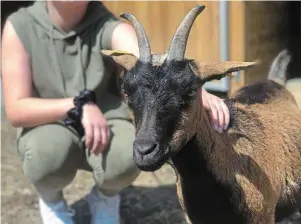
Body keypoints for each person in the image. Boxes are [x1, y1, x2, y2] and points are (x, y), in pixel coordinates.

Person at [1, 1, 230, 223]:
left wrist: (192, 89)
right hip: (50, 121)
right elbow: (16, 109)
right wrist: (78, 105)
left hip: (106, 120)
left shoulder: (110, 27)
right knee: (45, 155)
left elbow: (148, 64)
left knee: (130, 154)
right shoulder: (19, 27)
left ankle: (105, 198)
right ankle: (52, 202)